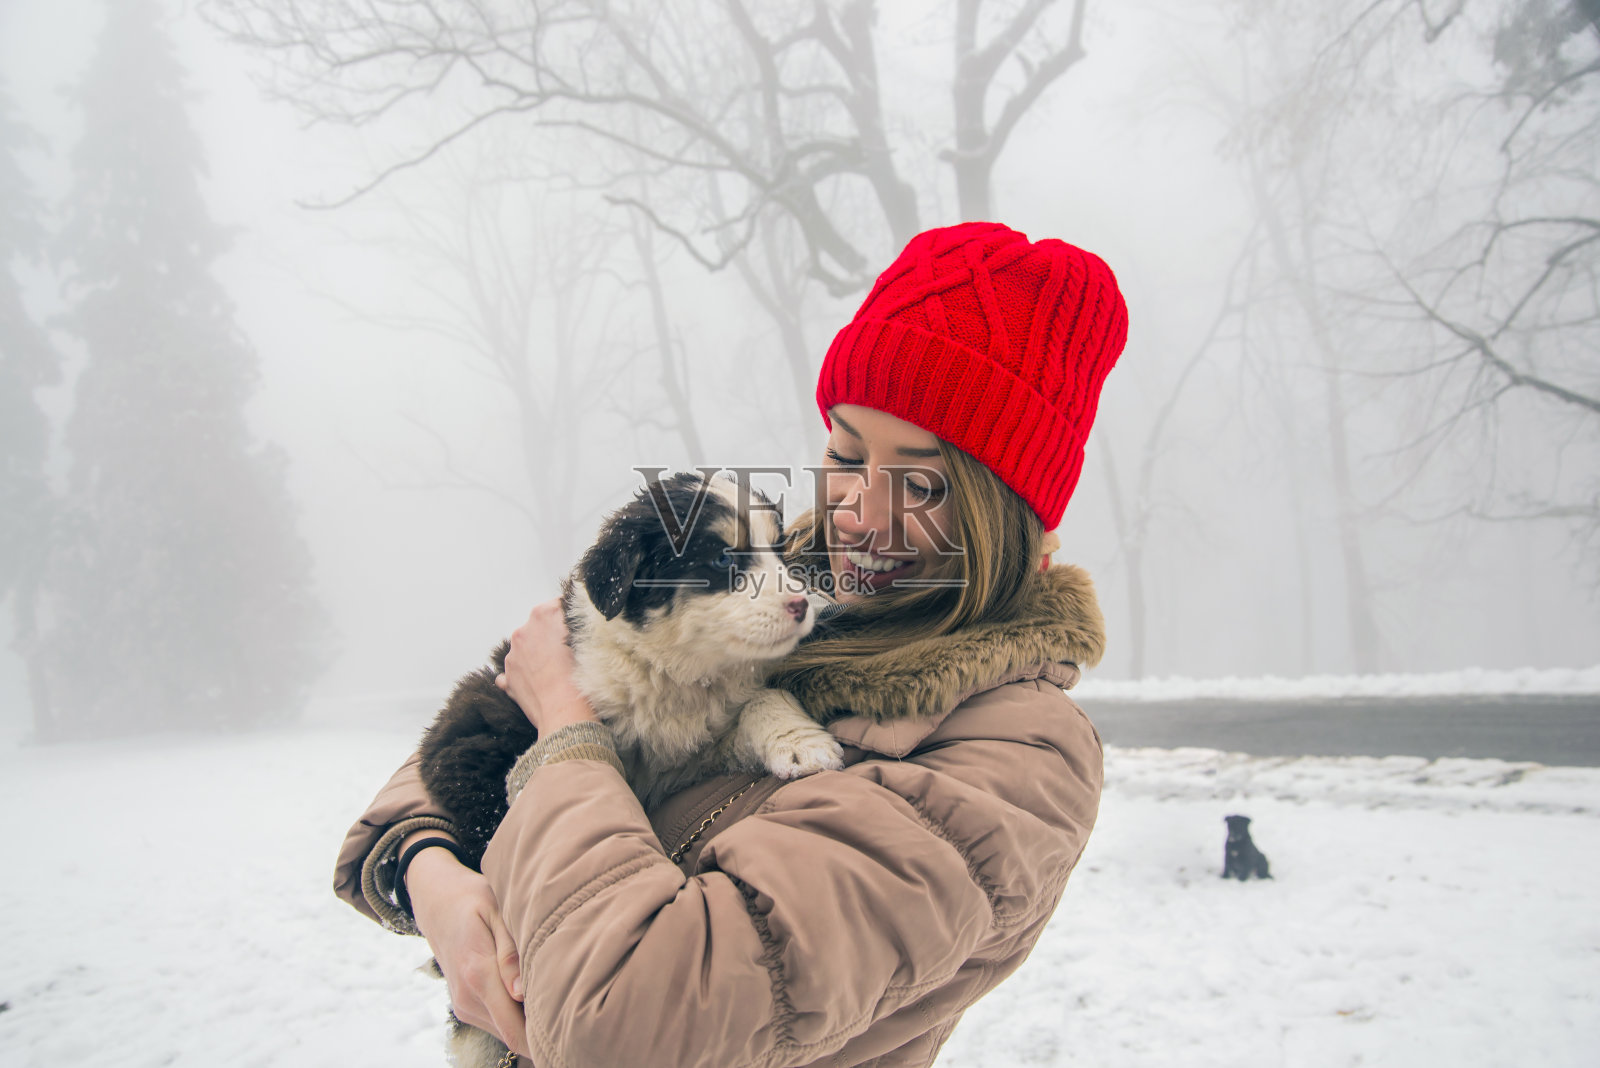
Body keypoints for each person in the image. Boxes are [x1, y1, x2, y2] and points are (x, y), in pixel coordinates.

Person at [333, 220, 1129, 1067]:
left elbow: (629, 1028)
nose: (858, 510)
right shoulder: (771, 582)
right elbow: (484, 722)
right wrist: (432, 874)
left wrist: (567, 733)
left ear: (1004, 513)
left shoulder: (1017, 753)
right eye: (847, 455)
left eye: (923, 482)